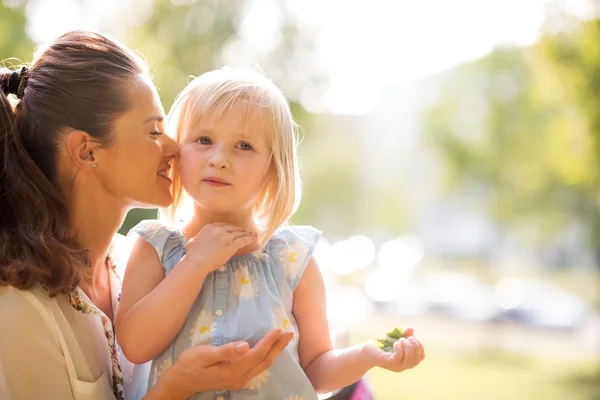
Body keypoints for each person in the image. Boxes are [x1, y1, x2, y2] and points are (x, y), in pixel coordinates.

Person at [0, 30, 292, 400]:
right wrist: (178, 387)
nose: (174, 146)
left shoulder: (140, 263)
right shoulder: (19, 309)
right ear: (88, 152)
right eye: (155, 130)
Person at [116, 65, 426, 400]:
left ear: (272, 169)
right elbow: (135, 346)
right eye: (203, 140)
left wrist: (367, 355)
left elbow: (315, 371)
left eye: (244, 146)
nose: (219, 159)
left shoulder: (293, 259)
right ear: (177, 153)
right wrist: (195, 264)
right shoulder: (156, 246)